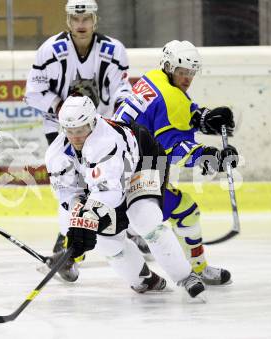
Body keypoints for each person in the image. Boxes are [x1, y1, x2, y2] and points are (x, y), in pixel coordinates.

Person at [45, 95, 206, 299]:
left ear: (93, 122)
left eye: (81, 130)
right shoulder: (56, 154)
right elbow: (69, 193)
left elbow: (112, 193)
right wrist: (79, 220)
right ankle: (145, 280)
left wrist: (86, 220)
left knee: (144, 217)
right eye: (70, 131)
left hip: (145, 159)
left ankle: (186, 276)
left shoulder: (106, 141)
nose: (75, 137)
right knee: (106, 239)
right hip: (110, 182)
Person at [113, 40, 239, 285]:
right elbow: (174, 148)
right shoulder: (170, 96)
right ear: (169, 66)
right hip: (136, 170)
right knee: (187, 211)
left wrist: (204, 118)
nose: (187, 78)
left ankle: (135, 237)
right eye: (183, 72)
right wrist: (212, 157)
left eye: (191, 73)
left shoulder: (154, 79)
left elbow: (177, 114)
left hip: (124, 160)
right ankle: (198, 269)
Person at [25, 0, 132, 255]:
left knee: (113, 178)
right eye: (75, 19)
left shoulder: (114, 50)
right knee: (71, 181)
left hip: (102, 127)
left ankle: (127, 228)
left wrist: (123, 112)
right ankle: (65, 235)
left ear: (95, 20)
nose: (81, 24)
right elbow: (32, 93)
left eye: (86, 19)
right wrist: (60, 106)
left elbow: (122, 88)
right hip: (63, 127)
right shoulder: (50, 50)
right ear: (68, 21)